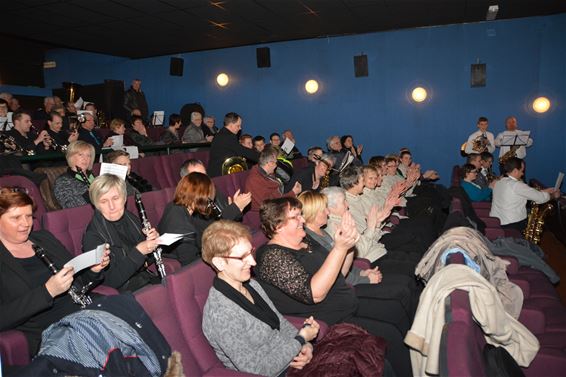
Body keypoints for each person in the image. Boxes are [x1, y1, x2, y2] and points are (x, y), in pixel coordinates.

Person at [254, 197, 412, 376]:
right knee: (390, 336)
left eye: (301, 215)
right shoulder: (271, 257)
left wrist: (348, 245)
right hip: (326, 322)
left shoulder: (305, 241)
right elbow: (314, 293)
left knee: (395, 310)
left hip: (346, 304)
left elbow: (341, 272)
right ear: (278, 226)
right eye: (296, 217)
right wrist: (339, 248)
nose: (303, 220)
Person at [201, 220, 319, 376]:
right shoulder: (221, 312)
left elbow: (280, 322)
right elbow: (256, 370)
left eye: (251, 252)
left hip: (289, 358)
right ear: (220, 263)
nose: (253, 261)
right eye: (242, 257)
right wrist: (300, 339)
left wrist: (306, 347)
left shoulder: (251, 284)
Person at [0, 188, 109, 355]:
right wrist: (48, 291)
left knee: (128, 308)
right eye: (15, 218)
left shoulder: (44, 238)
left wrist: (93, 270)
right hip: (49, 328)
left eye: (29, 216)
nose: (26, 223)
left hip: (82, 310)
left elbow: (77, 282)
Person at [82, 174, 161, 291]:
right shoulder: (93, 236)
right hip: (126, 292)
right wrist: (139, 252)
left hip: (145, 279)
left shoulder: (129, 218)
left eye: (115, 198)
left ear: (124, 198)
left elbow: (147, 259)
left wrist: (154, 242)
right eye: (104, 201)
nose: (112, 206)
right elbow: (110, 282)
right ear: (96, 205)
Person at [490, 157, 559, 231]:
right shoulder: (516, 185)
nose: (522, 174)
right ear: (515, 171)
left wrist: (543, 191)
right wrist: (554, 195)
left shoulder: (498, 182)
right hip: (513, 224)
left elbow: (524, 192)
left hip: (496, 222)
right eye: (522, 171)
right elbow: (541, 198)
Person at [178, 158, 251, 221]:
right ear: (186, 180)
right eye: (198, 176)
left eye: (204, 174)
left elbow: (232, 219)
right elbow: (212, 228)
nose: (204, 179)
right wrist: (234, 208)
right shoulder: (187, 203)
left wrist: (238, 209)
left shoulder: (214, 191)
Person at [245, 146, 301, 213]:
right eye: (275, 162)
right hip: (262, 214)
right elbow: (267, 205)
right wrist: (293, 193)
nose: (276, 165)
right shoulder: (254, 179)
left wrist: (292, 192)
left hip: (275, 207)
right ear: (270, 163)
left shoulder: (267, 174)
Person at [208, 112, 259, 177]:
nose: (240, 128)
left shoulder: (221, 133)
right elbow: (242, 151)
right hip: (219, 174)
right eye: (238, 125)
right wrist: (262, 158)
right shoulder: (229, 136)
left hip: (215, 171)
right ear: (231, 125)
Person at [53, 141, 96, 208]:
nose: (85, 159)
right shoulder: (63, 181)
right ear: (71, 157)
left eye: (89, 155)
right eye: (80, 155)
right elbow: (69, 206)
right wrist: (89, 194)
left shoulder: (94, 176)